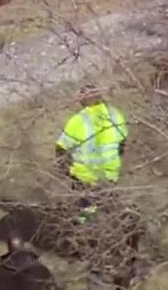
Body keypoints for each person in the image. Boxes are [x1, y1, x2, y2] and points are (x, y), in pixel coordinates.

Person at [55, 85, 128, 224]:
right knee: (108, 209)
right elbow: (122, 143)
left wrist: (65, 171)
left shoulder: (78, 120)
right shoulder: (115, 115)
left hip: (84, 177)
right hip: (110, 176)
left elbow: (61, 148)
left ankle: (82, 233)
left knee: (86, 213)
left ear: (82, 101)